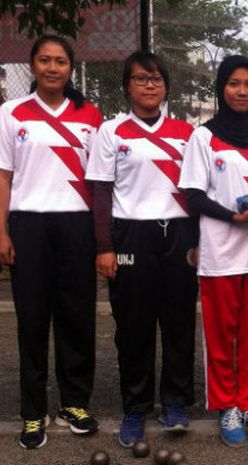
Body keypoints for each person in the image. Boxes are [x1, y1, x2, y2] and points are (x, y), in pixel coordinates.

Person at [85, 51, 198, 447]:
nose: (149, 86)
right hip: (131, 235)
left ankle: (175, 403)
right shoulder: (111, 132)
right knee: (133, 325)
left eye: (156, 79)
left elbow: (199, 191)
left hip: (179, 235)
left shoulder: (187, 133)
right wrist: (104, 246)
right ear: (127, 86)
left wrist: (199, 240)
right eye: (140, 79)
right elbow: (100, 191)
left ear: (165, 86)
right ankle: (135, 408)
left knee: (179, 322)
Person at [0, 35, 102, 449]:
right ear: (33, 65)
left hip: (77, 224)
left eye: (61, 61)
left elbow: (98, 181)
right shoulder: (11, 113)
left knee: (77, 317)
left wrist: (101, 237)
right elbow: (4, 176)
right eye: (45, 60)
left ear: (70, 68)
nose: (53, 68)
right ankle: (32, 411)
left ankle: (75, 402)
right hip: (29, 225)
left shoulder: (89, 114)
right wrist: (2, 231)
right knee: (32, 319)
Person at [179, 55, 248, 447]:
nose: (242, 91)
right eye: (234, 83)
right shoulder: (203, 137)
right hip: (220, 250)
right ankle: (226, 405)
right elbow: (192, 194)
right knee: (222, 332)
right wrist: (231, 218)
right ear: (222, 88)